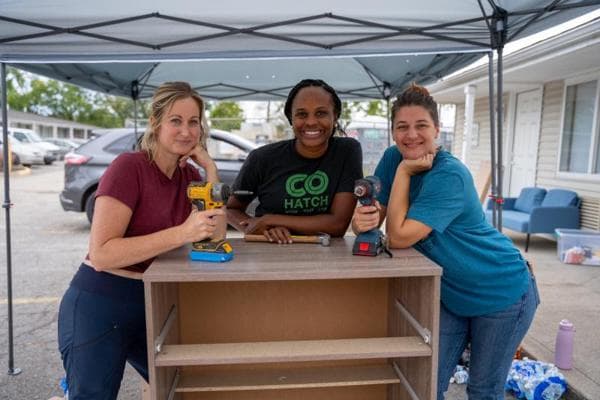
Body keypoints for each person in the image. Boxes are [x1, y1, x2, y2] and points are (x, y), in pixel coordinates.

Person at [351, 83, 539, 399]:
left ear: (437, 128)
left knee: (482, 390)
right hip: (450, 292)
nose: (411, 135)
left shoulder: (449, 175)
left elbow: (397, 237)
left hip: (500, 290)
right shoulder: (391, 156)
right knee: (425, 382)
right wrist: (362, 223)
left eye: (421, 125)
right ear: (393, 131)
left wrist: (405, 173)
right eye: (402, 127)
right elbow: (377, 217)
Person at [57, 81, 226, 399]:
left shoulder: (189, 176)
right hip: (102, 299)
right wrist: (182, 233)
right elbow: (103, 253)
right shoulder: (129, 167)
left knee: (179, 387)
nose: (186, 131)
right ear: (156, 122)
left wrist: (211, 170)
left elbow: (214, 236)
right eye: (176, 120)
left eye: (193, 122)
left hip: (154, 301)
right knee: (93, 394)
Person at [226, 79, 363, 243]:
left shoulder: (346, 151)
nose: (311, 122)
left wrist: (270, 220)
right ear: (291, 118)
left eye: (321, 113)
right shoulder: (261, 158)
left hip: (326, 255)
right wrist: (260, 229)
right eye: (302, 114)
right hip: (269, 253)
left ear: (336, 116)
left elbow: (338, 224)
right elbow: (231, 209)